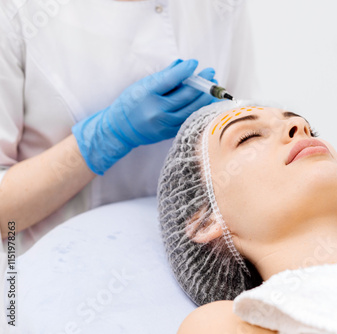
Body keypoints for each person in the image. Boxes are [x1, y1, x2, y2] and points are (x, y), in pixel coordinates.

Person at [0, 0, 256, 254]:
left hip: (192, 264)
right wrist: (104, 138)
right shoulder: (17, 13)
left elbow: (242, 136)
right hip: (60, 265)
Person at [157, 100, 337, 333]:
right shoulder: (229, 325)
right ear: (206, 221)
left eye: (310, 129)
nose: (299, 125)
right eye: (250, 137)